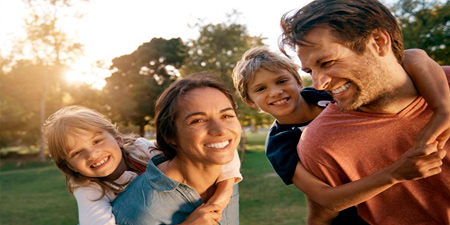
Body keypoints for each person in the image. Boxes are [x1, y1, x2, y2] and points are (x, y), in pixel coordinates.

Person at [278, 0, 450, 224]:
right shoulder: (320, 143)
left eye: (327, 62)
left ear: (378, 42)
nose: (319, 84)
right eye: (311, 70)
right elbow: (322, 216)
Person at [232, 46, 448, 224]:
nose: (275, 92)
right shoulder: (281, 143)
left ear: (298, 81)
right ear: (250, 102)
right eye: (260, 89)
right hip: (357, 216)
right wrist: (395, 173)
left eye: (281, 81)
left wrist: (442, 108)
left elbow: (412, 57)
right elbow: (326, 199)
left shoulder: (324, 93)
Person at [43, 105, 242, 225]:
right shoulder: (87, 187)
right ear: (70, 166)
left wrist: (220, 197)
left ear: (118, 139)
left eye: (97, 141)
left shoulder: (141, 150)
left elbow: (221, 150)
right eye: (76, 153)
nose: (92, 154)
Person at [111, 74, 241, 225]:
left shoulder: (226, 179)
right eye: (198, 120)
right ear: (169, 135)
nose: (220, 130)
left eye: (226, 116)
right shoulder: (142, 208)